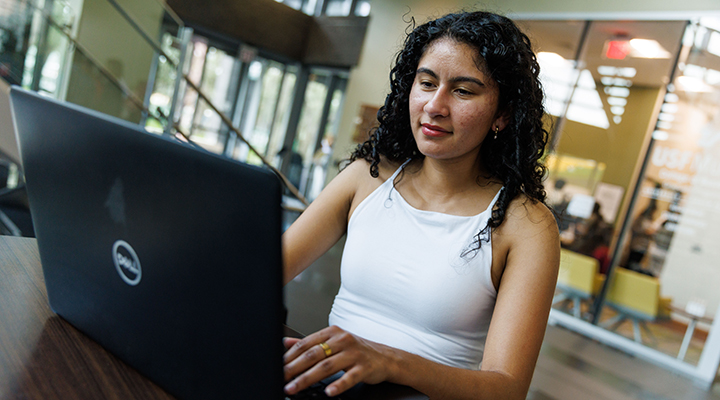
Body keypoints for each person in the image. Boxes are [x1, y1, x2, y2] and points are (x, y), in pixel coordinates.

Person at [281, 11, 560, 399]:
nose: (435, 105)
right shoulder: (368, 177)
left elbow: (507, 389)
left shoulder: (525, 225)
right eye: (427, 83)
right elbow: (260, 276)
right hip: (328, 388)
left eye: (463, 91)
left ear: (502, 114)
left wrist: (389, 361)